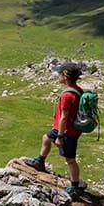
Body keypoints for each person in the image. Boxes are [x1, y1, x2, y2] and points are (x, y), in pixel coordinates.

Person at [24, 62, 86, 195]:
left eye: (59, 73)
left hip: (66, 132)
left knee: (70, 159)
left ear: (65, 75)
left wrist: (60, 136)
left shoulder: (67, 95)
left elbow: (64, 117)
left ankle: (75, 185)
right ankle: (40, 161)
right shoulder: (78, 90)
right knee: (46, 138)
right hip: (64, 129)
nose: (57, 75)